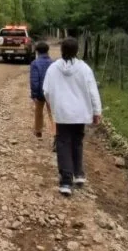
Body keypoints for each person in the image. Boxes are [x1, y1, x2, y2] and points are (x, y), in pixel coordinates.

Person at [42, 36, 102, 196]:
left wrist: (54, 105)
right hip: (80, 113)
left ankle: (66, 181)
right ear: (77, 51)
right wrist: (96, 111)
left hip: (62, 113)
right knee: (77, 142)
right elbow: (92, 91)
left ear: (62, 50)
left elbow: (46, 91)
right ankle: (79, 174)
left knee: (63, 144)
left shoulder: (53, 69)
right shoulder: (84, 69)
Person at [30, 41, 54, 140]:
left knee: (38, 111)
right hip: (51, 92)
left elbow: (34, 80)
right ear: (47, 51)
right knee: (52, 113)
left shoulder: (35, 63)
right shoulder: (53, 63)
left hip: (40, 92)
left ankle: (38, 130)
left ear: (37, 52)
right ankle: (56, 133)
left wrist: (34, 94)